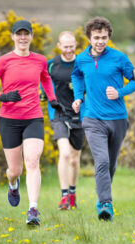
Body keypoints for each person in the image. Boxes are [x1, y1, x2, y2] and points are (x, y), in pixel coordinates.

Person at [0, 20, 64, 225]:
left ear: (32, 37)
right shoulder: (3, 61)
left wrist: (52, 99)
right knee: (14, 170)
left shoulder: (40, 60)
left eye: (27, 34)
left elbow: (45, 79)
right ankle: (12, 184)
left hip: (33, 117)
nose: (23, 37)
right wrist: (3, 97)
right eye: (19, 34)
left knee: (33, 161)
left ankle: (33, 209)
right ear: (13, 37)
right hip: (9, 120)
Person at [71, 17, 135, 221]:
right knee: (101, 161)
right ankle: (106, 204)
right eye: (96, 37)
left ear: (109, 37)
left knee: (110, 164)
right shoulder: (81, 59)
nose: (100, 41)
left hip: (118, 118)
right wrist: (78, 96)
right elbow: (76, 76)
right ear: (89, 38)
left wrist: (120, 92)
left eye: (104, 37)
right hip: (92, 118)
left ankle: (101, 197)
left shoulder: (119, 57)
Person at [40, 31, 85, 210]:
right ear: (59, 45)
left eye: (71, 46)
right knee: (65, 154)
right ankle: (64, 196)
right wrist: (44, 94)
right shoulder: (51, 65)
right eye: (65, 46)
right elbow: (43, 82)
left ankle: (73, 193)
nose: (68, 49)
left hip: (80, 115)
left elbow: (90, 85)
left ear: (75, 45)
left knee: (74, 160)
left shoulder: (82, 64)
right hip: (58, 114)